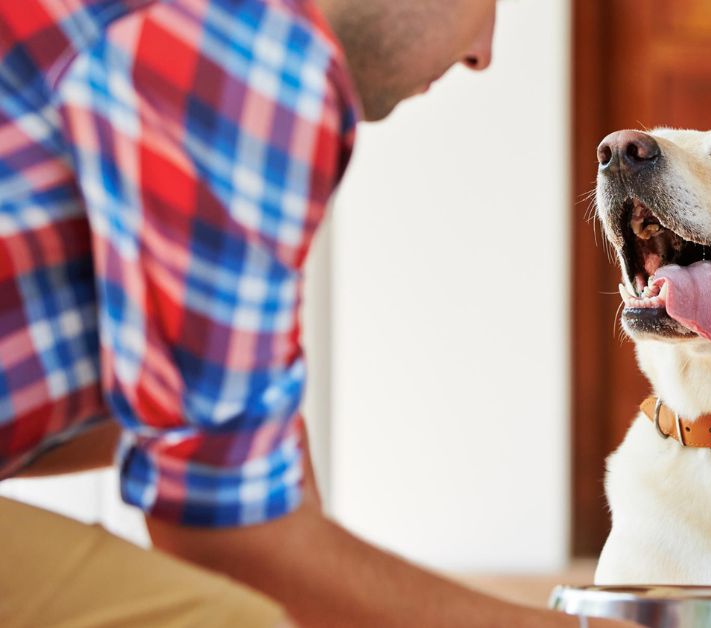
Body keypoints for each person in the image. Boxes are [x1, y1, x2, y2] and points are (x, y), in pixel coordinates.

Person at [0, 1, 636, 626]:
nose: (482, 53)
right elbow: (229, 543)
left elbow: (195, 438)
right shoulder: (252, 43)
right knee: (223, 620)